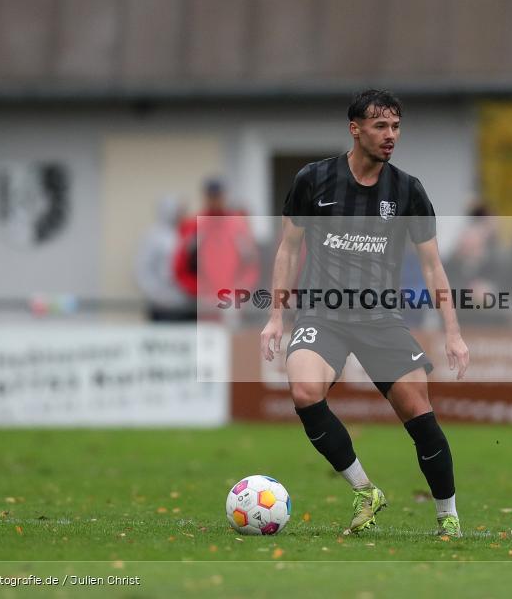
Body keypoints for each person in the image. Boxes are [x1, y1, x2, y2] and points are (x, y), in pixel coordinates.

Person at [259, 90, 468, 537]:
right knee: (304, 391)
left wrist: (453, 331)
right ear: (355, 129)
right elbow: (288, 249)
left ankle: (447, 515)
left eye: (395, 127)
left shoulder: (408, 190)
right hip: (322, 315)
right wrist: (276, 316)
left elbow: (433, 266)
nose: (390, 135)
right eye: (380, 126)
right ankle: (364, 489)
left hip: (380, 319)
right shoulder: (313, 180)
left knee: (419, 413)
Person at [173, 179, 260, 321]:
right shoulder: (194, 226)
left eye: (218, 196)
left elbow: (251, 265)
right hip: (202, 304)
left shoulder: (238, 225)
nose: (215, 200)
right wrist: (199, 291)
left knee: (234, 340)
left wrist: (237, 294)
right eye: (211, 196)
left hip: (232, 303)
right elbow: (181, 267)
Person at [134, 195, 194, 321]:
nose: (182, 214)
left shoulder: (187, 233)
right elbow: (142, 271)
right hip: (162, 306)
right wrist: (158, 295)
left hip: (188, 304)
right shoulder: (153, 236)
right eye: (178, 210)